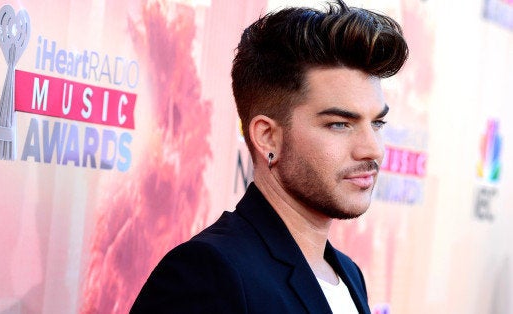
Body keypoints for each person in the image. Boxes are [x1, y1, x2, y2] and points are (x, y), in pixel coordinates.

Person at [131, 0, 408, 313]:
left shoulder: (349, 274)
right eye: (340, 124)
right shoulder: (209, 273)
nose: (372, 149)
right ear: (267, 137)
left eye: (377, 123)